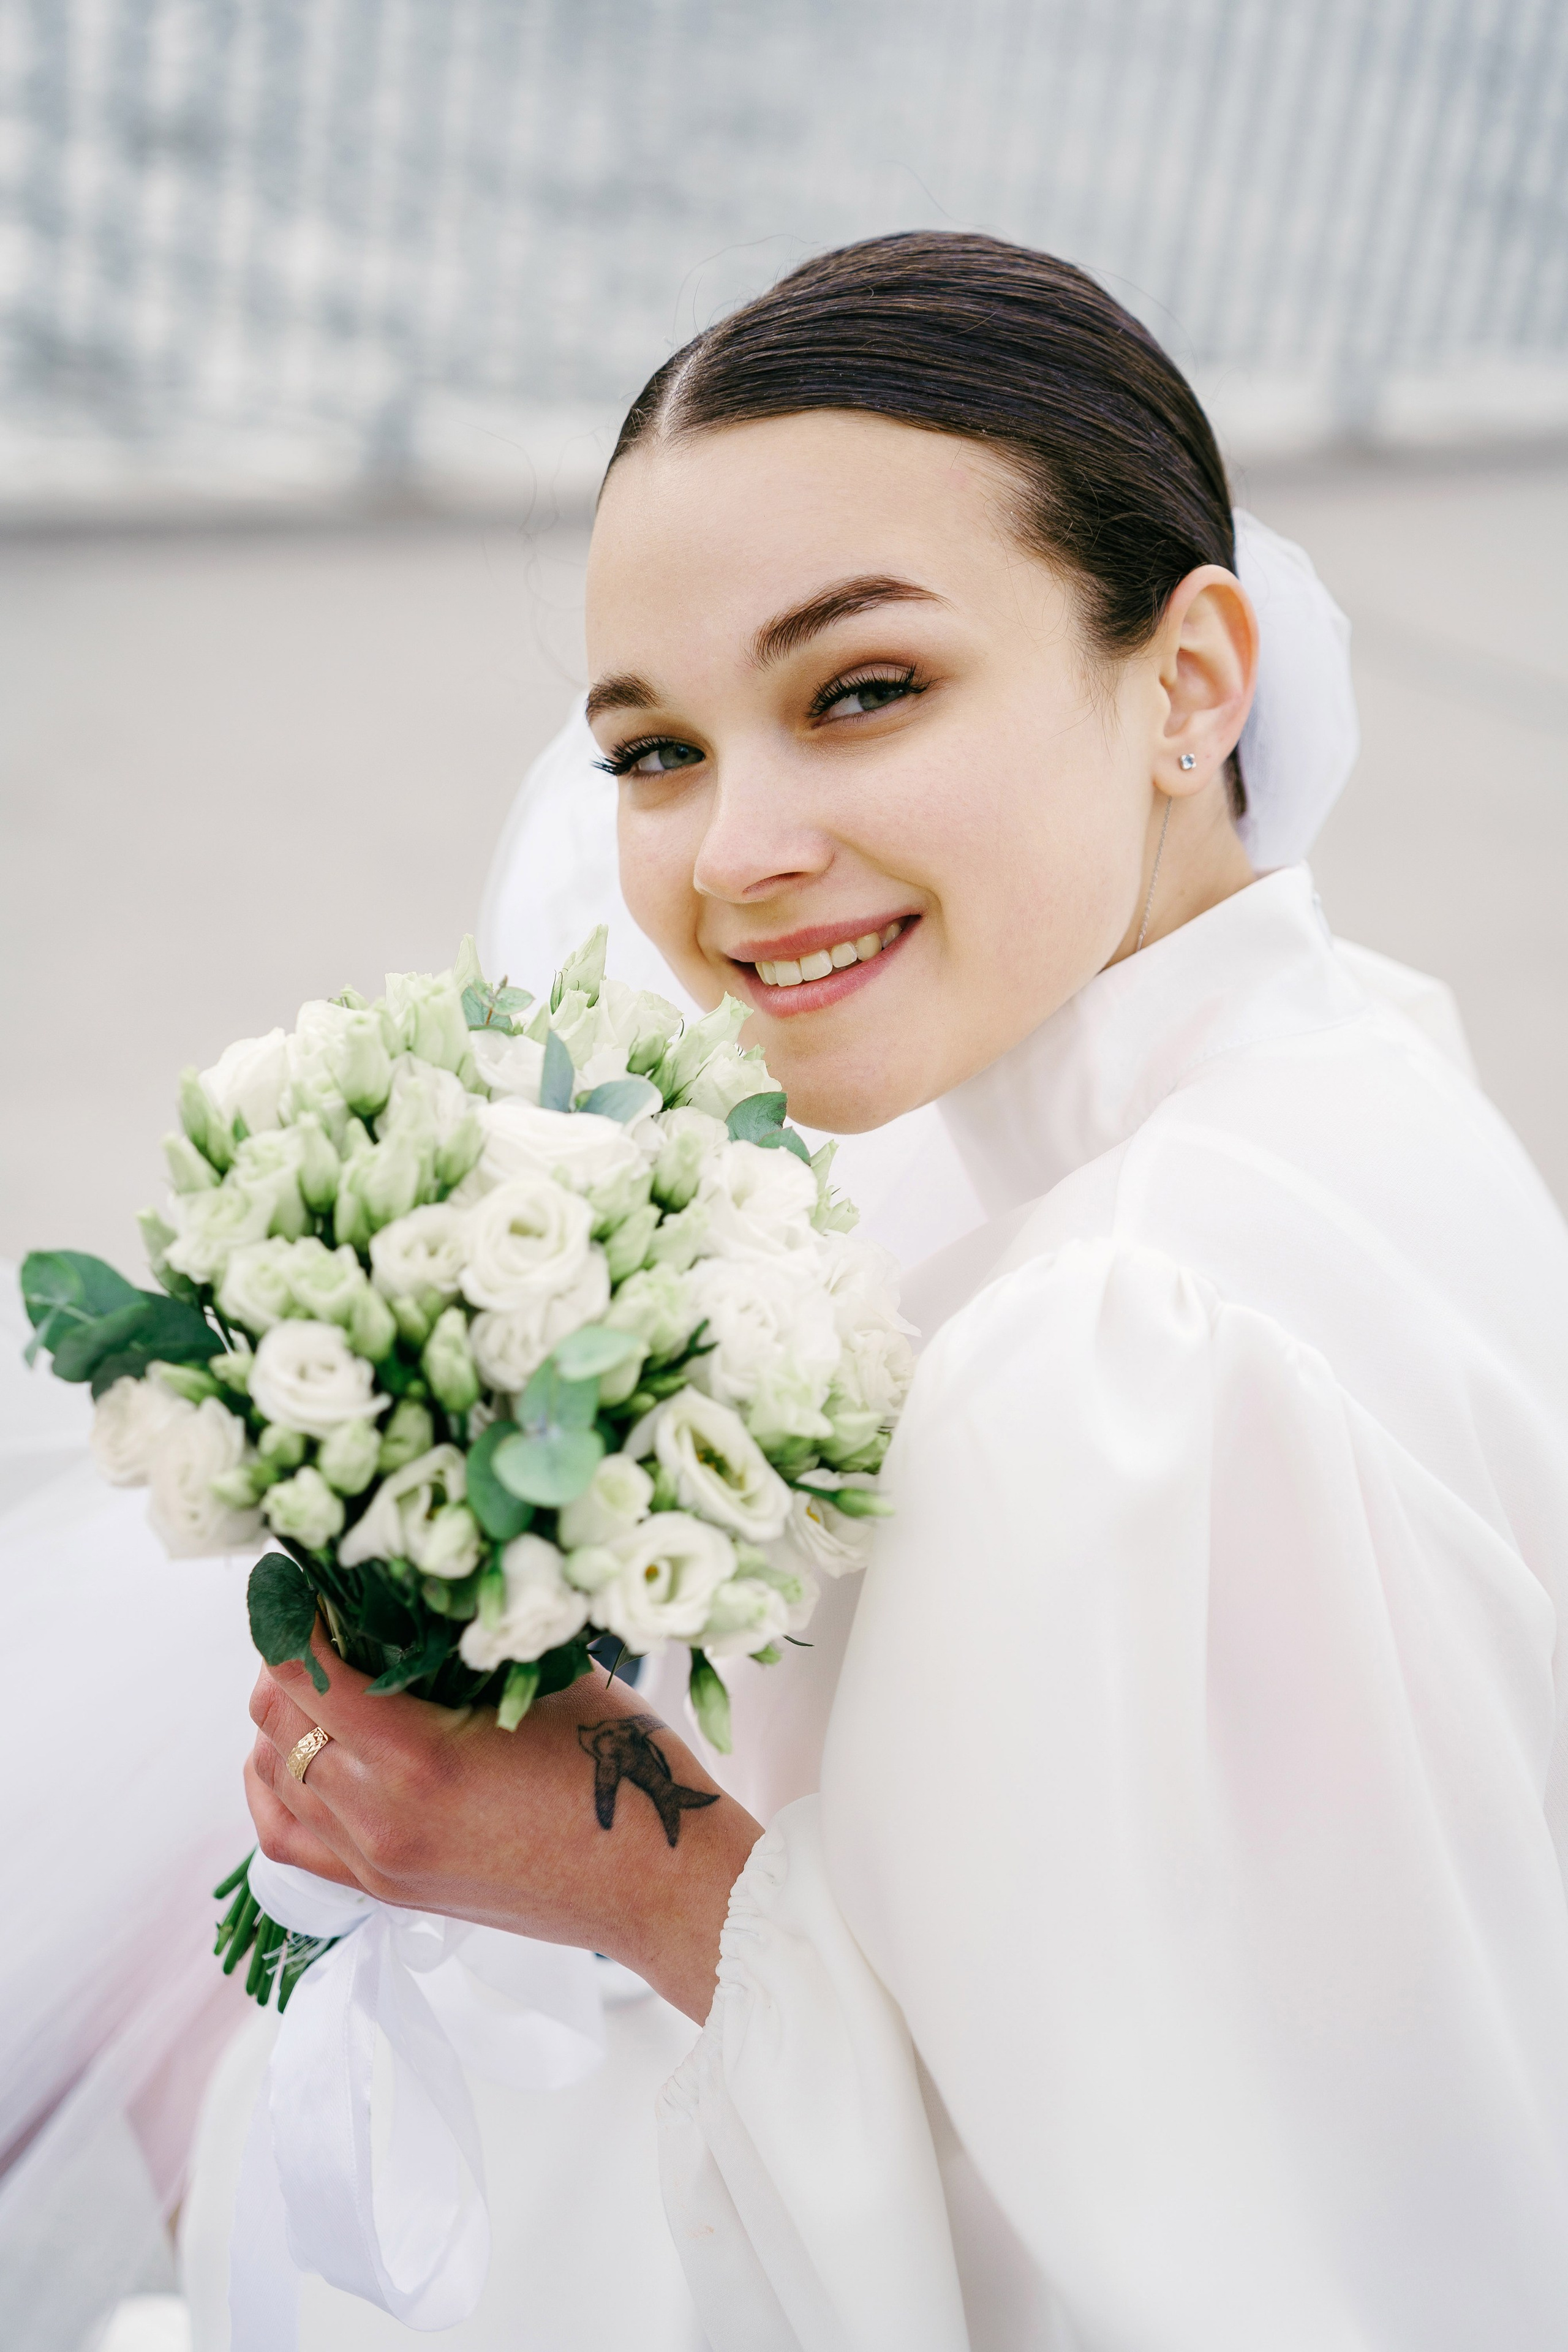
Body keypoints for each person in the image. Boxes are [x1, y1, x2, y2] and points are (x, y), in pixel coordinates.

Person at [221, 232, 1568, 2347]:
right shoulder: (1356, 1064)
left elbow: (1174, 2268)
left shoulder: (1116, 1357)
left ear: (1195, 677)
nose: (735, 849)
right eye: (655, 751)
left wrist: (622, 1868)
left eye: (865, 690)